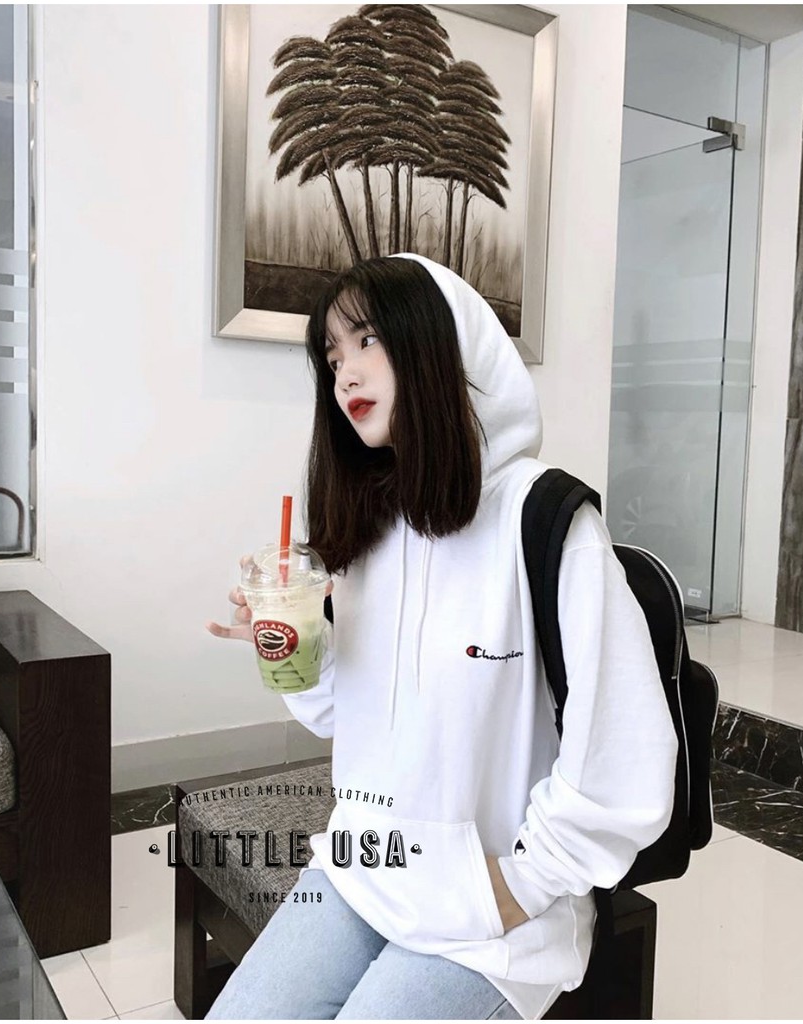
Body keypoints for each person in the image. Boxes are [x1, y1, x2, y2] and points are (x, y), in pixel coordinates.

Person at [205, 254, 678, 1020]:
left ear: (438, 345)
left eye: (366, 340)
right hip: (365, 867)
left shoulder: (546, 521)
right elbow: (341, 717)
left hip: (497, 914)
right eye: (332, 356)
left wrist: (522, 884)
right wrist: (297, 653)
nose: (345, 373)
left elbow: (624, 753)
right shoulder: (367, 525)